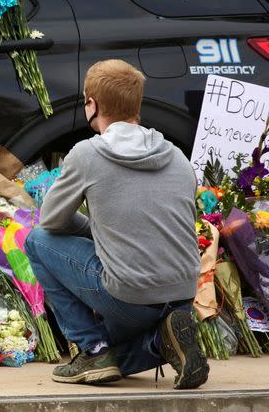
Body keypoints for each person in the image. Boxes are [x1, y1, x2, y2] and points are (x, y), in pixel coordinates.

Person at [24, 59, 209, 390]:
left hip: (130, 299)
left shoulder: (87, 155)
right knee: (117, 358)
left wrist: (93, 228)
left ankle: (92, 348)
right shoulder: (177, 156)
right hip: (182, 295)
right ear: (136, 105)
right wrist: (101, 231)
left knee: (37, 241)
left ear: (92, 104)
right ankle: (159, 341)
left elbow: (51, 221)